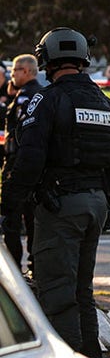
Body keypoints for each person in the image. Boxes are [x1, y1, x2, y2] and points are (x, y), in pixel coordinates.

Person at [4, 28, 110, 358]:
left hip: (61, 206)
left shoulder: (47, 100)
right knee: (82, 293)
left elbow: (29, 159)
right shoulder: (105, 103)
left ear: (46, 60)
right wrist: (107, 203)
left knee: (58, 297)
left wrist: (8, 206)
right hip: (94, 204)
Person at [1, 54, 43, 275]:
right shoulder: (36, 95)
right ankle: (35, 269)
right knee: (33, 223)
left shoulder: (25, 97)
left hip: (17, 167)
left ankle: (14, 273)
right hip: (31, 169)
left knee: (12, 223)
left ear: (26, 71)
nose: (12, 74)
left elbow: (18, 137)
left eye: (15, 70)